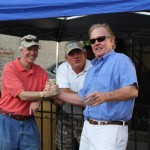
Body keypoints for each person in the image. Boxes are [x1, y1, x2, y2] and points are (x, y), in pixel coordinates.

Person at [56, 23, 138, 150]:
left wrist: (106, 96)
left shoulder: (121, 60)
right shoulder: (93, 69)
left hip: (109, 129)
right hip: (88, 127)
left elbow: (132, 90)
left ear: (112, 40)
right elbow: (83, 99)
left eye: (101, 39)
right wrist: (56, 93)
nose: (96, 43)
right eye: (93, 40)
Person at [0, 34, 60, 150]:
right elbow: (22, 95)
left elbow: (52, 89)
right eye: (29, 49)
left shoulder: (40, 71)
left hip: (29, 121)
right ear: (21, 50)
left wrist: (38, 99)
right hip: (8, 121)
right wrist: (43, 94)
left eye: (35, 49)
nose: (32, 53)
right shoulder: (10, 68)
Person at [55, 41, 92, 150]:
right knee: (62, 147)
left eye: (78, 52)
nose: (75, 56)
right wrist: (84, 97)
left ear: (84, 53)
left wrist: (66, 95)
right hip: (67, 115)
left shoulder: (94, 67)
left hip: (88, 118)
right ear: (67, 58)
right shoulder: (63, 68)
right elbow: (63, 92)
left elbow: (94, 95)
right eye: (71, 54)